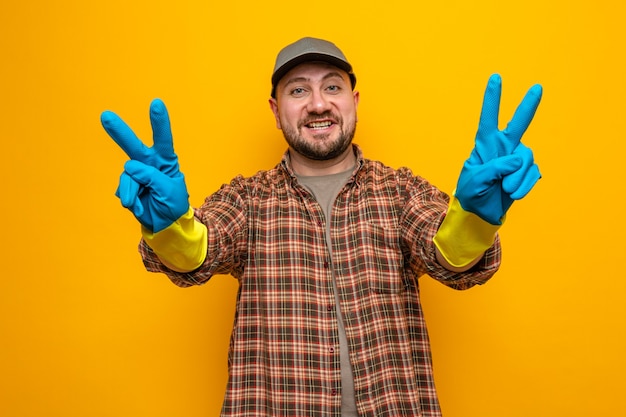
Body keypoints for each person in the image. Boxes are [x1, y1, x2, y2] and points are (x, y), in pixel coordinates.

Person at [101, 37, 542, 416]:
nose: (317, 103)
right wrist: (169, 227)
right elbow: (201, 250)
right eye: (298, 90)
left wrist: (475, 217)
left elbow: (447, 254)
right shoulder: (247, 199)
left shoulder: (400, 191)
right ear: (276, 110)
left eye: (333, 87)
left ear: (354, 100)